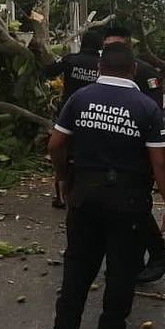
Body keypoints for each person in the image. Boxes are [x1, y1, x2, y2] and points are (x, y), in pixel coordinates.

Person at [40, 43, 165, 329]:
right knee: (120, 273)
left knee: (77, 267)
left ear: (100, 69)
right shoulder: (146, 107)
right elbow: (160, 162)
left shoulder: (79, 99)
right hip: (127, 201)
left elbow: (56, 144)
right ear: (133, 71)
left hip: (84, 194)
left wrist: (64, 177)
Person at [99, 25, 165, 285]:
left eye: (117, 45)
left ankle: (157, 255)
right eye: (108, 46)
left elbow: (154, 110)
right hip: (108, 149)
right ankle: (133, 261)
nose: (113, 50)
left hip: (139, 149)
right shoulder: (103, 68)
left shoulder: (145, 72)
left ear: (129, 45)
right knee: (121, 206)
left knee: (135, 205)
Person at [41, 29, 105, 208]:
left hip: (68, 113)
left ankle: (60, 196)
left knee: (60, 151)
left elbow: (48, 71)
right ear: (100, 45)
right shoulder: (102, 64)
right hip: (95, 114)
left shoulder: (70, 59)